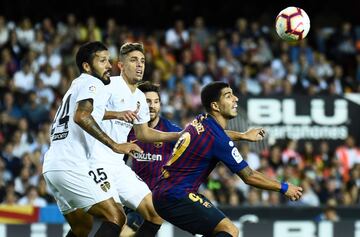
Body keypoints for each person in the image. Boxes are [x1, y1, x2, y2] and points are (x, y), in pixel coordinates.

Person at [152, 81, 303, 237]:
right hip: (176, 196)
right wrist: (284, 188)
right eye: (228, 96)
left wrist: (243, 136)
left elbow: (217, 136)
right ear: (215, 106)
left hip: (165, 192)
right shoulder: (217, 138)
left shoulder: (201, 119)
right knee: (229, 230)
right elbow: (249, 176)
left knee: (217, 232)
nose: (236, 99)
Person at [123, 81, 268, 235]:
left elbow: (206, 136)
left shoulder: (171, 130)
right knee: (130, 222)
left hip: (159, 195)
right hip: (135, 193)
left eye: (156, 102)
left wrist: (242, 136)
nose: (152, 106)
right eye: (147, 101)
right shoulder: (128, 131)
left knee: (146, 222)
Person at [42, 41, 143, 237]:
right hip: (71, 164)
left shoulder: (76, 86)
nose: (109, 66)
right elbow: (82, 116)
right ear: (87, 66)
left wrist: (116, 114)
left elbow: (88, 112)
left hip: (53, 166)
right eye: (102, 61)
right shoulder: (93, 82)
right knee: (116, 216)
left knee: (82, 229)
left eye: (109, 60)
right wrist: (115, 145)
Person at [88, 42, 181, 237]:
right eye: (133, 60)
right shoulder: (108, 86)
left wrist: (179, 135)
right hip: (95, 161)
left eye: (142, 61)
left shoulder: (139, 98)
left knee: (155, 213)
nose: (140, 65)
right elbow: (86, 114)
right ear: (120, 65)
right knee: (114, 217)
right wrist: (117, 114)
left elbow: (144, 134)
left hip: (117, 165)